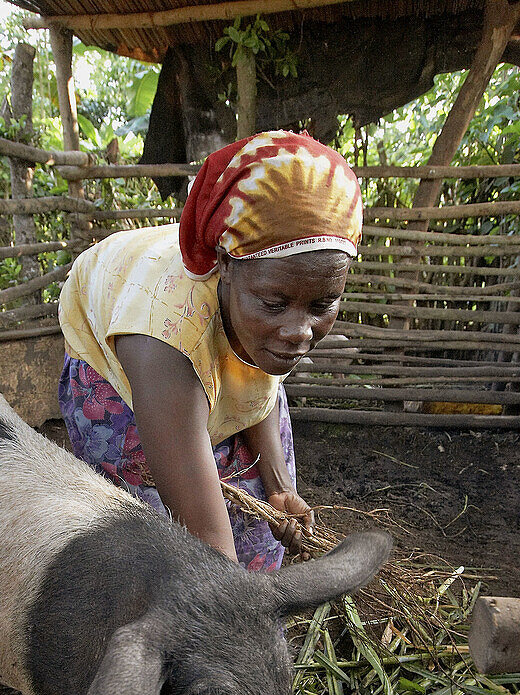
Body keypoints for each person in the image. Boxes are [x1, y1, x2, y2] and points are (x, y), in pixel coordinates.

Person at [57, 130, 362, 571]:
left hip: (207, 334)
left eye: (321, 305)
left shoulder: (266, 305)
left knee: (258, 522)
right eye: (276, 305)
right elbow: (206, 541)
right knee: (160, 548)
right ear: (224, 267)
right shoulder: (164, 338)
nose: (299, 331)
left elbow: (259, 388)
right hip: (118, 372)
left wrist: (278, 486)